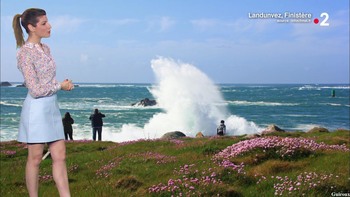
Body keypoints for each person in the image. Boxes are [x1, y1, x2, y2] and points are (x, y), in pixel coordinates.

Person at [13, 8, 73, 197]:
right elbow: (35, 90)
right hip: (36, 110)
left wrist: (60, 85)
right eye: (44, 23)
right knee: (35, 158)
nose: (50, 26)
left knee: (60, 156)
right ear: (31, 27)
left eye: (48, 22)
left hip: (51, 107)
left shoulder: (46, 48)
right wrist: (60, 86)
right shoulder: (24, 53)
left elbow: (47, 83)